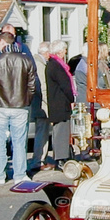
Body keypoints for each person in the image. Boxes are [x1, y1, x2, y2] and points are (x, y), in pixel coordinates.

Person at [0, 32, 36, 184]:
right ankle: (19, 174)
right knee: (19, 141)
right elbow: (32, 85)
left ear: (3, 43)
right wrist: (27, 100)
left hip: (0, 105)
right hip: (20, 105)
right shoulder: (26, 60)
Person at [46, 40, 76, 171]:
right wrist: (71, 98)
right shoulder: (56, 66)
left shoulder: (53, 65)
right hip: (59, 103)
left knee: (62, 131)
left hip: (58, 102)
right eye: (64, 50)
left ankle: (63, 155)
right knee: (61, 131)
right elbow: (65, 85)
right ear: (59, 51)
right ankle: (60, 158)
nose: (65, 52)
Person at [29, 41, 52, 172]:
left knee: (42, 132)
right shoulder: (39, 64)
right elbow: (43, 86)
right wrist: (48, 103)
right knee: (41, 132)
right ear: (46, 52)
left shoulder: (37, 62)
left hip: (39, 103)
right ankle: (38, 160)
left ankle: (41, 158)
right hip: (41, 104)